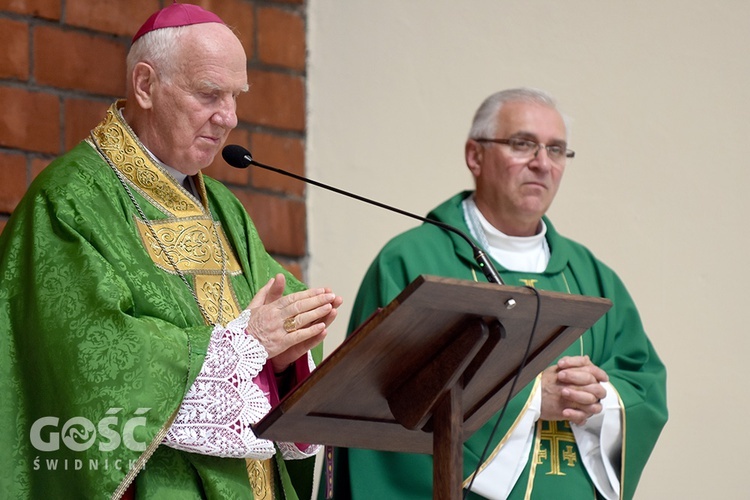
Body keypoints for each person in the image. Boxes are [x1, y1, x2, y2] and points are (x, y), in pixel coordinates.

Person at [0, 3, 343, 499]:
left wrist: (286, 356)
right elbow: (88, 366)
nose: (228, 118)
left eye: (235, 96)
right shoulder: (69, 201)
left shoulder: (223, 207)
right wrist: (243, 347)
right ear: (144, 85)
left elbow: (271, 330)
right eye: (209, 94)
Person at [321, 88, 667, 499]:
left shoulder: (592, 276)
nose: (542, 164)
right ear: (475, 156)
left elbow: (645, 386)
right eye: (523, 144)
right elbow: (387, 398)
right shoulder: (412, 262)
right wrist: (532, 400)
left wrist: (597, 397)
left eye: (556, 150)